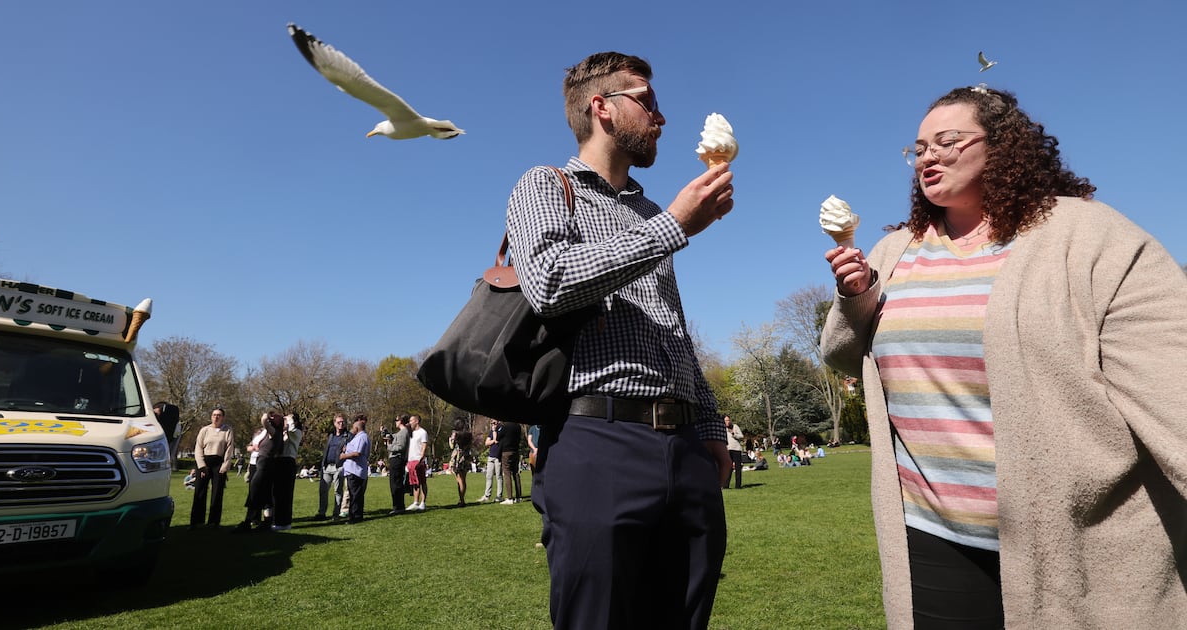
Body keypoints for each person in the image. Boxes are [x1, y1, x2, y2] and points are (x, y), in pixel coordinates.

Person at [821, 85, 1187, 628]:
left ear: (1003, 146)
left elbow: (1170, 386)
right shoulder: (896, 251)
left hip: (1076, 535)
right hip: (932, 536)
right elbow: (843, 355)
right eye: (918, 148)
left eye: (947, 141)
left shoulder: (1088, 236)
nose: (928, 157)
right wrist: (859, 300)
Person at [506, 51, 733, 629]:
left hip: (686, 451)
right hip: (594, 440)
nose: (662, 118)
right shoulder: (546, 186)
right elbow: (548, 283)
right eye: (648, 101)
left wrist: (708, 427)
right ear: (601, 107)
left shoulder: (651, 209)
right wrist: (675, 227)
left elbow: (673, 329)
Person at [234, 411, 284, 533]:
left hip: (264, 464)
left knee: (254, 492)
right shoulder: (269, 433)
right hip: (264, 463)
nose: (274, 417)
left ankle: (247, 522)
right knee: (266, 494)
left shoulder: (274, 432)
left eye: (277, 416)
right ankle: (266, 522)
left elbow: (263, 421)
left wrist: (267, 415)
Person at [190, 407, 234, 529]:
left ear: (223, 417)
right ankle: (196, 521)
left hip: (218, 463)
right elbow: (198, 448)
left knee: (217, 493)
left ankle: (214, 522)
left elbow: (229, 449)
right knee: (199, 491)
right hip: (205, 462)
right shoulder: (205, 430)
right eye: (214, 415)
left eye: (219, 415)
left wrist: (225, 465)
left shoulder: (227, 430)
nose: (216, 417)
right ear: (211, 416)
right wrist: (202, 466)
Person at [269, 412, 303, 531]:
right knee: (276, 493)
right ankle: (275, 520)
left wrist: (290, 419)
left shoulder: (296, 432)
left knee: (286, 493)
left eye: (287, 419)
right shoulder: (282, 433)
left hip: (288, 462)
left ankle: (285, 522)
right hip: (278, 461)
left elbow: (292, 429)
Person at [315, 414, 351, 521]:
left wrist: (347, 450)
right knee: (323, 490)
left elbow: (352, 449)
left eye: (343, 422)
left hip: (339, 466)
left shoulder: (348, 436)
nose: (341, 424)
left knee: (338, 491)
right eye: (339, 422)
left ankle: (336, 513)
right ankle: (321, 513)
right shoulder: (331, 436)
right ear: (334, 423)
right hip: (327, 467)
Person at [339, 416, 370, 523]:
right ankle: (355, 515)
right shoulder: (358, 437)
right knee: (354, 494)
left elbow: (357, 452)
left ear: (357, 428)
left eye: (353, 428)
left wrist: (344, 456)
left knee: (355, 495)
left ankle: (355, 517)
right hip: (352, 470)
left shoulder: (362, 437)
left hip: (356, 471)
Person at [387, 414, 411, 514]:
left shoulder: (404, 432)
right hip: (397, 460)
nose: (395, 422)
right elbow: (395, 436)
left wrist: (389, 446)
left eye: (396, 420)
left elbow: (400, 447)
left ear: (400, 421)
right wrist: (387, 434)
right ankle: (398, 506)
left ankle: (398, 507)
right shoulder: (402, 432)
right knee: (396, 483)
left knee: (395, 484)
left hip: (397, 460)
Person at [405, 414, 429, 511]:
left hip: (418, 460)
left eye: (411, 421)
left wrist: (421, 459)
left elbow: (424, 446)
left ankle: (423, 502)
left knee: (422, 481)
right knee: (414, 482)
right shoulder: (411, 433)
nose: (410, 423)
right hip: (410, 460)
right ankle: (415, 502)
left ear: (417, 421)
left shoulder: (423, 432)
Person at [495, 420, 522, 505]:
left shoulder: (505, 426)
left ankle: (510, 497)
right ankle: (519, 496)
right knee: (516, 473)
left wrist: (495, 430)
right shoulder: (518, 426)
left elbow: (498, 438)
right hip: (515, 451)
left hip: (506, 451)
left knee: (507, 473)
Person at [448, 418, 474, 506]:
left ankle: (461, 500)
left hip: (458, 457)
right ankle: (462, 499)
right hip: (466, 457)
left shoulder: (455, 433)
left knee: (459, 480)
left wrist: (450, 440)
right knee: (463, 479)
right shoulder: (469, 435)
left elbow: (452, 446)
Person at [479, 419, 503, 503]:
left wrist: (494, 432)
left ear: (498, 422)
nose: (493, 424)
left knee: (498, 477)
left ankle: (499, 496)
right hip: (491, 456)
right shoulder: (491, 431)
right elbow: (486, 443)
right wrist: (492, 441)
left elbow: (496, 440)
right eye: (492, 423)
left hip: (498, 456)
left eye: (494, 423)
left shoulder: (500, 430)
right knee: (488, 476)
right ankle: (487, 495)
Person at [723, 416, 744, 489]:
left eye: (728, 420)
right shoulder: (722, 429)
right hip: (728, 449)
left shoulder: (735, 427)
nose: (727, 422)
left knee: (738, 467)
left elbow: (741, 436)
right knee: (728, 467)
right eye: (725, 420)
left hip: (736, 449)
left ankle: (738, 485)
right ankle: (726, 485)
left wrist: (734, 434)